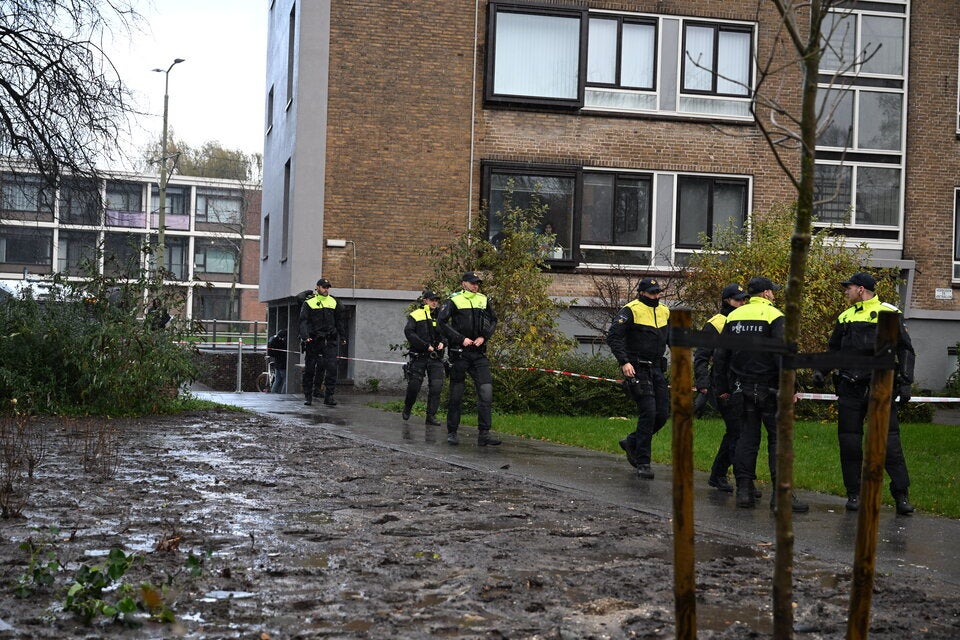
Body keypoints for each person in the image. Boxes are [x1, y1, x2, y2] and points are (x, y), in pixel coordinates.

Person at [813, 272, 915, 515]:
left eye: (847, 288)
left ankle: (901, 495)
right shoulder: (846, 317)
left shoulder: (888, 312)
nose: (845, 292)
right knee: (849, 443)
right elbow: (834, 349)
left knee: (889, 443)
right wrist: (821, 371)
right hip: (849, 386)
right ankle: (854, 495)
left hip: (879, 385)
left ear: (861, 289)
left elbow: (906, 350)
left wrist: (906, 381)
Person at [714, 276, 809, 513]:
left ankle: (744, 492)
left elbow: (721, 356)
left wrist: (722, 388)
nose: (775, 295)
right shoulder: (775, 317)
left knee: (746, 439)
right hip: (770, 389)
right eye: (773, 291)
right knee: (778, 441)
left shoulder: (733, 317)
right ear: (766, 294)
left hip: (740, 388)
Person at [606, 277, 670, 479]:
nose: (656, 296)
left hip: (657, 368)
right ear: (642, 293)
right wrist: (624, 362)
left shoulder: (664, 311)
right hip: (637, 368)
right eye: (652, 293)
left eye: (658, 292)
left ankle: (632, 441)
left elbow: (671, 338)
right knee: (649, 413)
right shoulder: (630, 310)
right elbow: (613, 336)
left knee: (662, 414)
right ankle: (643, 461)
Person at [694, 283, 752, 494]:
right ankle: (726, 475)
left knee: (741, 432)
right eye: (738, 300)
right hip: (722, 386)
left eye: (745, 299)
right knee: (736, 431)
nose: (743, 302)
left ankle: (728, 476)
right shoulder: (715, 323)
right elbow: (701, 357)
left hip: (743, 384)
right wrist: (702, 386)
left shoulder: (746, 321)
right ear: (727, 301)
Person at [437, 272, 500, 446]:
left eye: (477, 283)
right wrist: (459, 339)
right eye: (472, 283)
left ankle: (484, 434)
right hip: (460, 353)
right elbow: (441, 322)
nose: (476, 286)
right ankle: (452, 432)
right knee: (456, 395)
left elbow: (494, 320)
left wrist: (484, 337)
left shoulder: (483, 299)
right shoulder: (454, 300)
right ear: (464, 283)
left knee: (486, 392)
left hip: (478, 353)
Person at [299, 278, 347, 406]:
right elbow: (303, 321)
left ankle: (329, 397)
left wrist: (342, 336)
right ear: (318, 287)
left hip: (329, 340)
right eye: (324, 287)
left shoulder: (333, 302)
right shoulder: (309, 302)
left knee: (332, 368)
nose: (326, 289)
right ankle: (308, 396)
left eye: (327, 287)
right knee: (310, 369)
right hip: (314, 340)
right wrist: (305, 336)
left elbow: (339, 321)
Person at [402, 289, 445, 426]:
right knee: (414, 386)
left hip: (436, 358)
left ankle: (431, 416)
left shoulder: (441, 317)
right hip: (419, 356)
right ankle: (408, 407)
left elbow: (447, 333)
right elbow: (409, 333)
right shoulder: (416, 315)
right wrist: (425, 346)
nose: (434, 302)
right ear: (425, 300)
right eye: (432, 299)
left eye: (436, 300)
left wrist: (444, 343)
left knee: (436, 387)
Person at [267, 329, 288, 394]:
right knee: (285, 380)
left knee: (277, 380)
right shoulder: (283, 342)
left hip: (277, 363)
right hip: (283, 364)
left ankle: (273, 394)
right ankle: (283, 395)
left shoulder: (274, 340)